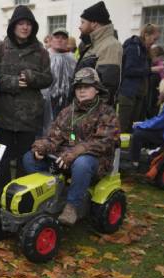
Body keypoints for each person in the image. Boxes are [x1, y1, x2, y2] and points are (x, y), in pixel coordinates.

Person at [22, 68, 119, 225]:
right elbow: (53, 137)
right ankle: (52, 195)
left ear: (96, 89)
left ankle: (72, 207)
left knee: (82, 163)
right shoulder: (67, 112)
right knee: (29, 157)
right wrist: (41, 147)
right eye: (78, 88)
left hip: (95, 162)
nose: (81, 91)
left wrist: (75, 153)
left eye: (86, 87)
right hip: (64, 158)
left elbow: (104, 141)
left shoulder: (107, 112)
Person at [0, 5, 52, 198]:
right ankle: (0, 197)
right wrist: (13, 82)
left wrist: (32, 78)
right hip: (3, 115)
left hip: (29, 117)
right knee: (1, 159)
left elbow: (48, 79)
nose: (25, 27)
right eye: (21, 23)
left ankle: (22, 197)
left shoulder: (41, 52)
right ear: (13, 26)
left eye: (29, 24)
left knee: (26, 159)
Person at [75, 1, 123, 106]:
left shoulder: (110, 45)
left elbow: (107, 86)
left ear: (94, 23)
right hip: (84, 106)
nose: (80, 26)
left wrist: (93, 113)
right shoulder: (92, 44)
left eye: (83, 22)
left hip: (94, 111)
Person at [118, 23, 160, 133]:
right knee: (124, 126)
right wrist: (150, 70)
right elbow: (128, 70)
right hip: (129, 93)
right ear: (146, 35)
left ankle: (128, 148)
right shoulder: (133, 47)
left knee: (134, 126)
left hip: (139, 94)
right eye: (154, 39)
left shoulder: (144, 50)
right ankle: (120, 149)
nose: (154, 42)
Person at [46, 28, 77, 118]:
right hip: (47, 100)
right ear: (51, 40)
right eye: (57, 37)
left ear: (67, 41)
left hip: (66, 101)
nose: (60, 40)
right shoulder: (44, 56)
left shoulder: (72, 59)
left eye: (63, 38)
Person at [146, 44, 164, 117]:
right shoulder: (148, 65)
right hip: (147, 94)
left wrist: (162, 95)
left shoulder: (160, 67)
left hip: (155, 95)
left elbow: (163, 81)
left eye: (161, 58)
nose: (161, 60)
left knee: (153, 114)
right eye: (160, 58)